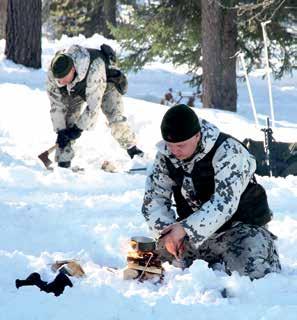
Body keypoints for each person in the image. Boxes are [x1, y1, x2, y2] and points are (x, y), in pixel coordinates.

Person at [142, 104, 281, 280]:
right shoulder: (166, 155)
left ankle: (263, 248)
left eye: (181, 145)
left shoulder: (228, 151)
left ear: (197, 136)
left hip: (240, 229)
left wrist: (185, 229)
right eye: (170, 145)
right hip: (193, 235)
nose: (174, 151)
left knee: (252, 275)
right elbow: (154, 199)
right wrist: (168, 233)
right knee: (149, 263)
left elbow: (223, 205)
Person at [47, 44, 143, 168]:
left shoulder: (94, 68)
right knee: (66, 124)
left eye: (63, 79)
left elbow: (93, 107)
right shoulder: (53, 72)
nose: (60, 83)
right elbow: (56, 104)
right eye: (58, 80)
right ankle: (63, 162)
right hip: (75, 89)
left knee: (115, 120)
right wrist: (61, 131)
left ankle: (133, 151)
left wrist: (78, 129)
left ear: (73, 70)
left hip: (105, 84)